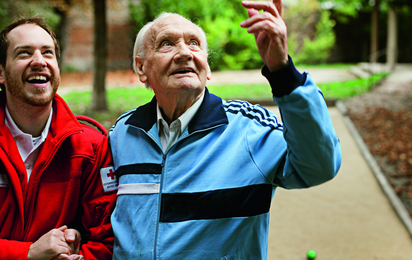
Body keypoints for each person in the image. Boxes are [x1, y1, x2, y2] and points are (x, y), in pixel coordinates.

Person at [109, 0, 342, 259]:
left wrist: (283, 72)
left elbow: (319, 167)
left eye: (194, 43)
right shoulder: (122, 135)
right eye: (167, 43)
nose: (185, 53)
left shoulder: (248, 130)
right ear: (141, 67)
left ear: (207, 68)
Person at [0, 16, 117, 260]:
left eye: (48, 53)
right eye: (24, 53)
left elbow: (107, 241)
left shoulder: (91, 147)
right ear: (1, 72)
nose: (39, 61)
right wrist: (28, 254)